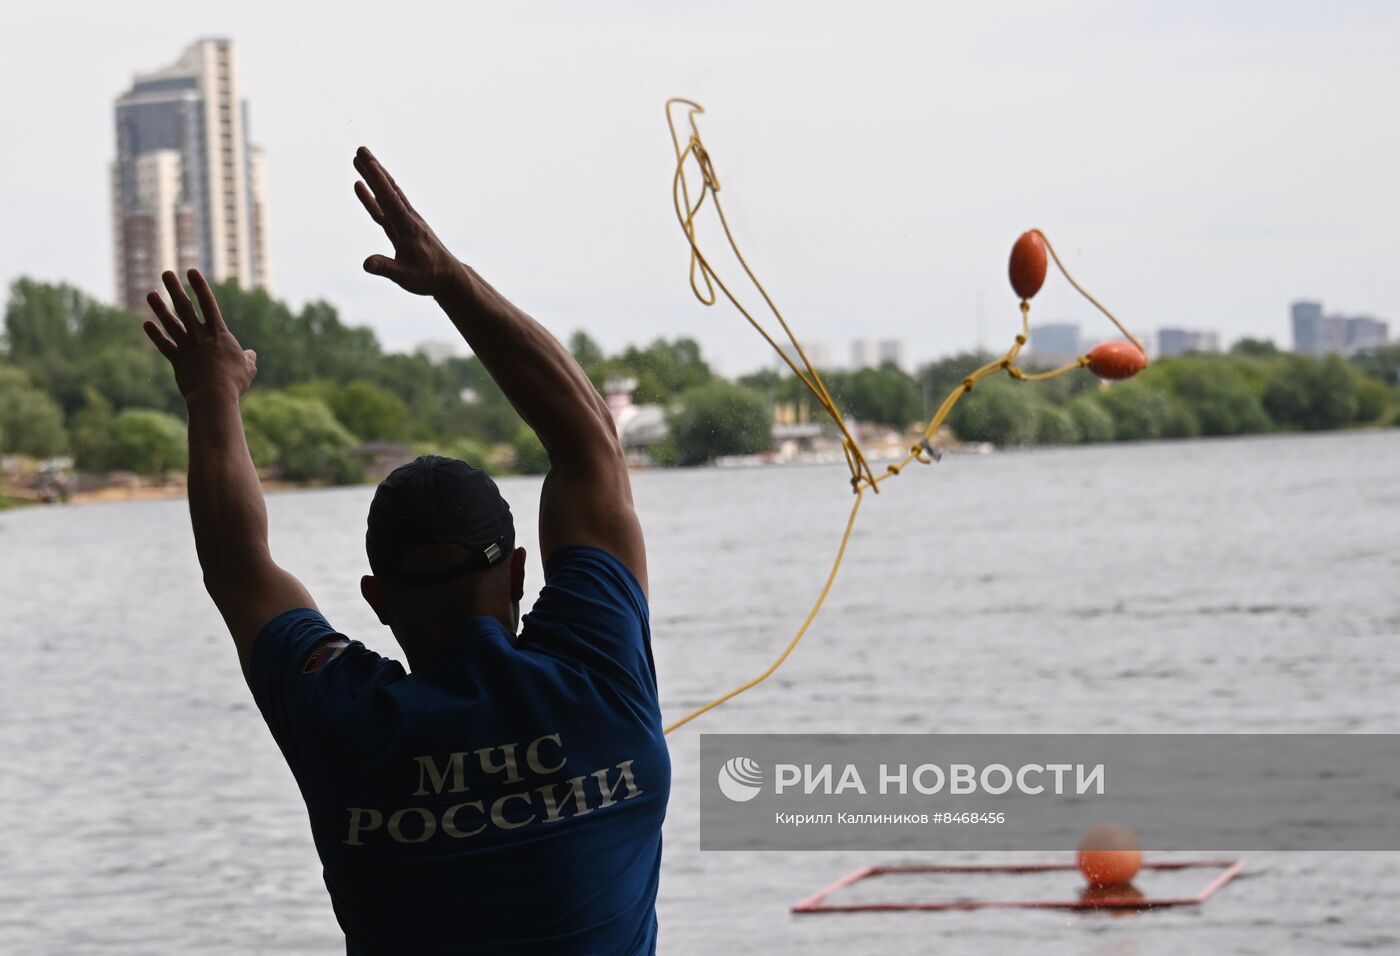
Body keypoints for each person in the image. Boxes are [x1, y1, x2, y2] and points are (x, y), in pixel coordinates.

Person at [142, 147, 669, 955]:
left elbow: (237, 568)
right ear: (520, 572)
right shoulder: (598, 677)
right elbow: (589, 445)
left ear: (378, 601)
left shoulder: (346, 722)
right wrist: (449, 279)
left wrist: (213, 394)